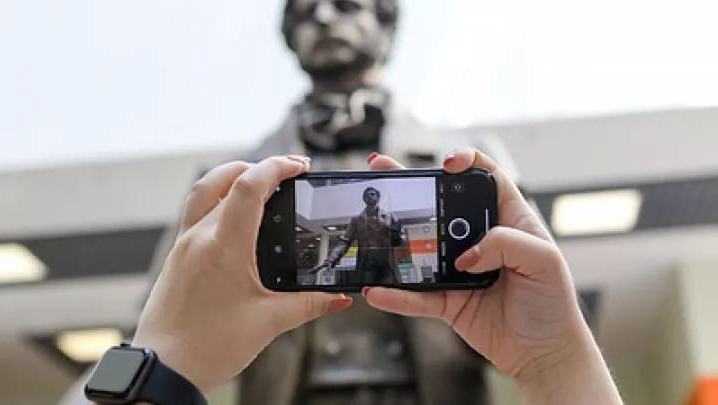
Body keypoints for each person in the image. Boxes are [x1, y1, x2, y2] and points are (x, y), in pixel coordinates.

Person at [83, 148, 624, 405]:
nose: (324, 17)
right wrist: (165, 356)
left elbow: (392, 242)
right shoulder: (234, 179)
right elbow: (161, 314)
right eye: (305, 8)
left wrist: (554, 363)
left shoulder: (465, 162)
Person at [309, 186, 406, 285]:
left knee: (389, 294)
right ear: (364, 199)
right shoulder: (356, 220)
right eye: (367, 195)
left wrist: (396, 233)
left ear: (378, 197)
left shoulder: (390, 216)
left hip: (387, 264)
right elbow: (345, 242)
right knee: (367, 294)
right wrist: (330, 259)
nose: (369, 196)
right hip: (367, 265)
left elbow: (401, 241)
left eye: (372, 194)